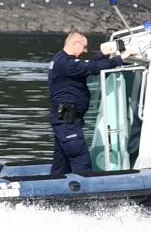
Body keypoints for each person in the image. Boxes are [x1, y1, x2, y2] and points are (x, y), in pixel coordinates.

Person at [47, 32, 135, 176]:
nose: (86, 51)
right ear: (74, 43)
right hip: (67, 120)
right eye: (85, 47)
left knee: (61, 160)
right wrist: (121, 58)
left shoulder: (63, 60)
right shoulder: (66, 63)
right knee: (80, 157)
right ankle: (89, 193)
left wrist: (101, 55)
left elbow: (86, 66)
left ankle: (52, 189)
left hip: (65, 118)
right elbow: (91, 68)